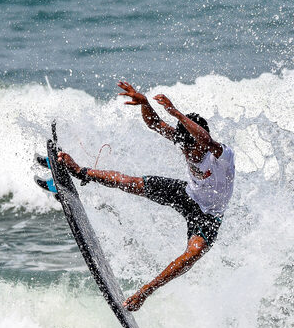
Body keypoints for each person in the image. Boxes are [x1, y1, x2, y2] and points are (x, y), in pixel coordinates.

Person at [57, 81, 235, 311]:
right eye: (185, 148)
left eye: (192, 148)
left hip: (209, 214)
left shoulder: (222, 155)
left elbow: (206, 140)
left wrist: (176, 113)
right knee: (131, 182)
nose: (188, 152)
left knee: (193, 252)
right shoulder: (185, 142)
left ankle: (144, 293)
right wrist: (145, 104)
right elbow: (155, 123)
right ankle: (81, 171)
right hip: (188, 194)